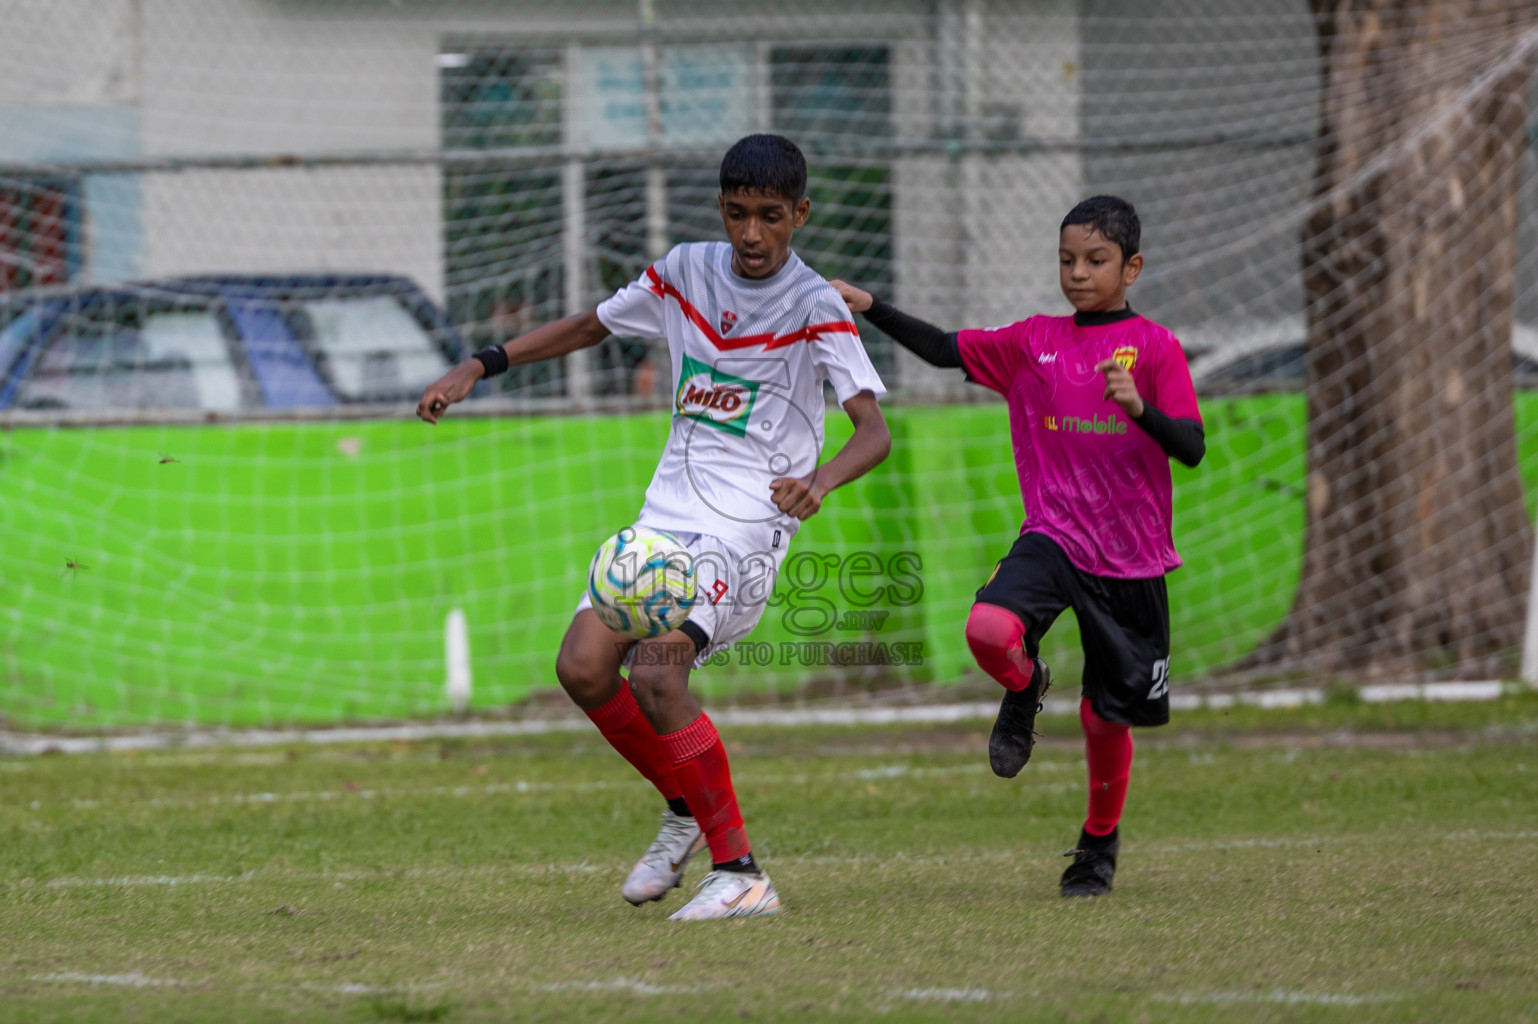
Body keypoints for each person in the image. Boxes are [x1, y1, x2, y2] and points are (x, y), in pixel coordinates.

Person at [418, 134, 890, 920]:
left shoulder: (817, 307)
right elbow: (593, 325)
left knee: (659, 674)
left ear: (799, 215)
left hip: (747, 529)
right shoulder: (685, 271)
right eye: (738, 214)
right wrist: (480, 363)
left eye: (771, 217)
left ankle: (740, 874)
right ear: (720, 209)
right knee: (581, 667)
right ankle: (686, 808)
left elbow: (873, 431)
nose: (751, 234)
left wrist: (819, 482)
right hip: (665, 519)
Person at [831, 195, 1203, 897]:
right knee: (989, 628)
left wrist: (1139, 410)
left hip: (1131, 558)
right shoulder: (1035, 341)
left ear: (1132, 267)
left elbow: (1191, 448)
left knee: (1104, 716)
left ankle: (1097, 848)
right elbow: (945, 349)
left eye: (1096, 261)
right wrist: (867, 304)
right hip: (1053, 536)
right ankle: (1025, 687)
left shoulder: (1155, 348)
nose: (1078, 273)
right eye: (1067, 260)